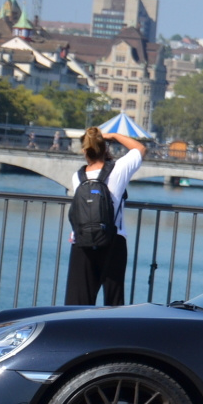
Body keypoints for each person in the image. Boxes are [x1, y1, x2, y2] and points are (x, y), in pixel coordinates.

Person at [64, 127, 146, 306]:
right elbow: (139, 149)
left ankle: (77, 332)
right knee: (113, 301)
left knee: (78, 302)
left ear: (84, 151)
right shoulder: (118, 170)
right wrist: (114, 136)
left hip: (82, 242)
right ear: (105, 148)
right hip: (113, 241)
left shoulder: (78, 177)